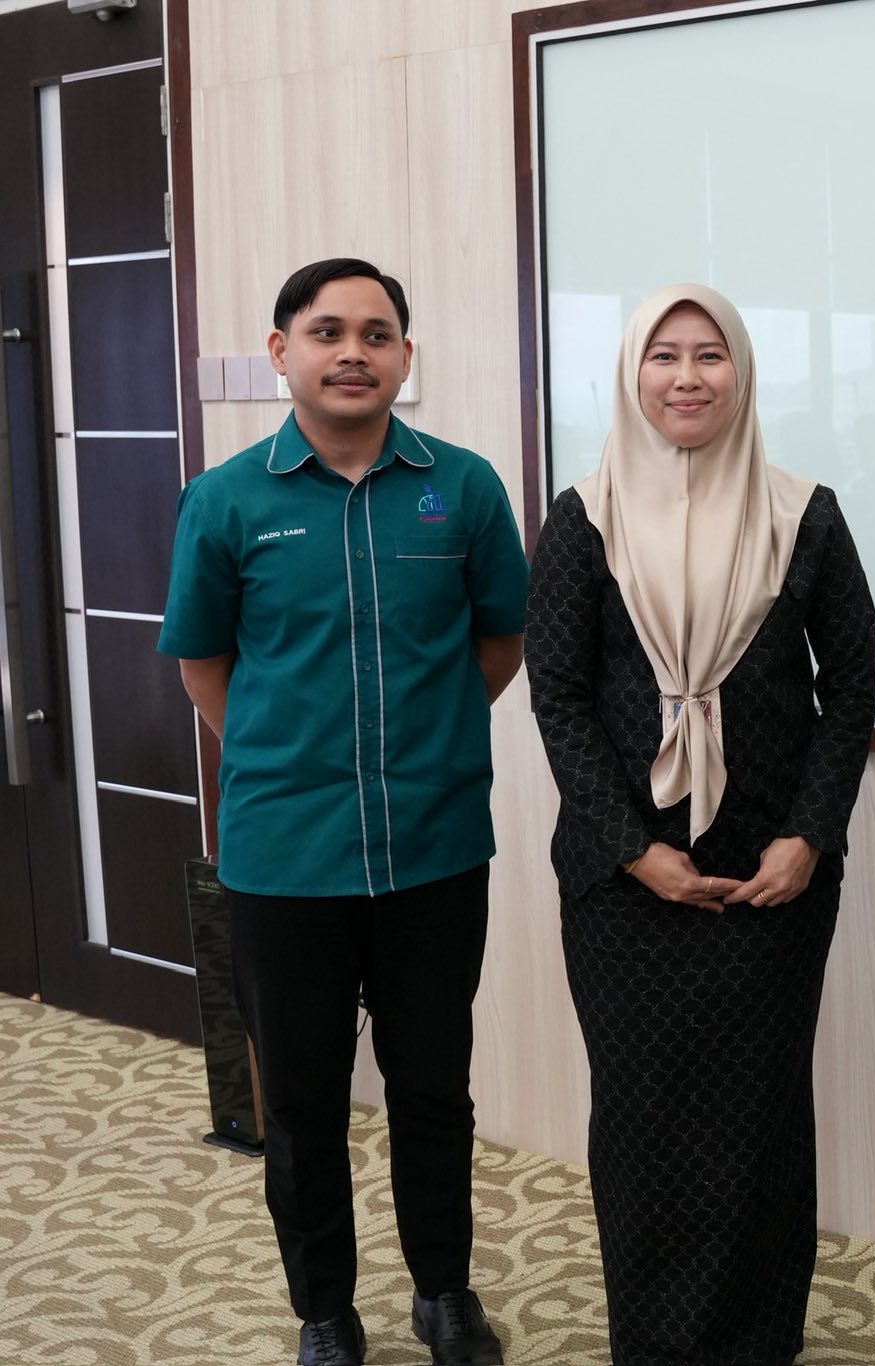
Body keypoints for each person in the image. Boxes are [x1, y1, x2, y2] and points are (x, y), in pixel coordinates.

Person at [160, 258, 527, 1366]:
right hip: (284, 857)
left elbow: (497, 643)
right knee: (303, 1105)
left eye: (377, 333)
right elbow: (204, 664)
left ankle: (444, 1293)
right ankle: (325, 1311)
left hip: (434, 849)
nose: (353, 352)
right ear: (283, 351)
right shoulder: (227, 499)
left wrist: (424, 741)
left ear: (406, 356)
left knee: (433, 1092)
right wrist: (288, 752)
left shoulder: (463, 488)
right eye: (327, 332)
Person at [524, 283, 875, 1366]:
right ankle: (658, 1346)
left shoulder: (804, 514)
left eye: (710, 354)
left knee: (759, 1123)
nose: (687, 376)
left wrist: (808, 837)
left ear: (743, 374)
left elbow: (852, 687)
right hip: (622, 889)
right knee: (644, 1126)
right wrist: (637, 852)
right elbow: (558, 698)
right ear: (631, 374)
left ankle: (759, 1343)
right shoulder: (583, 519)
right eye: (663, 355)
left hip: (774, 881)